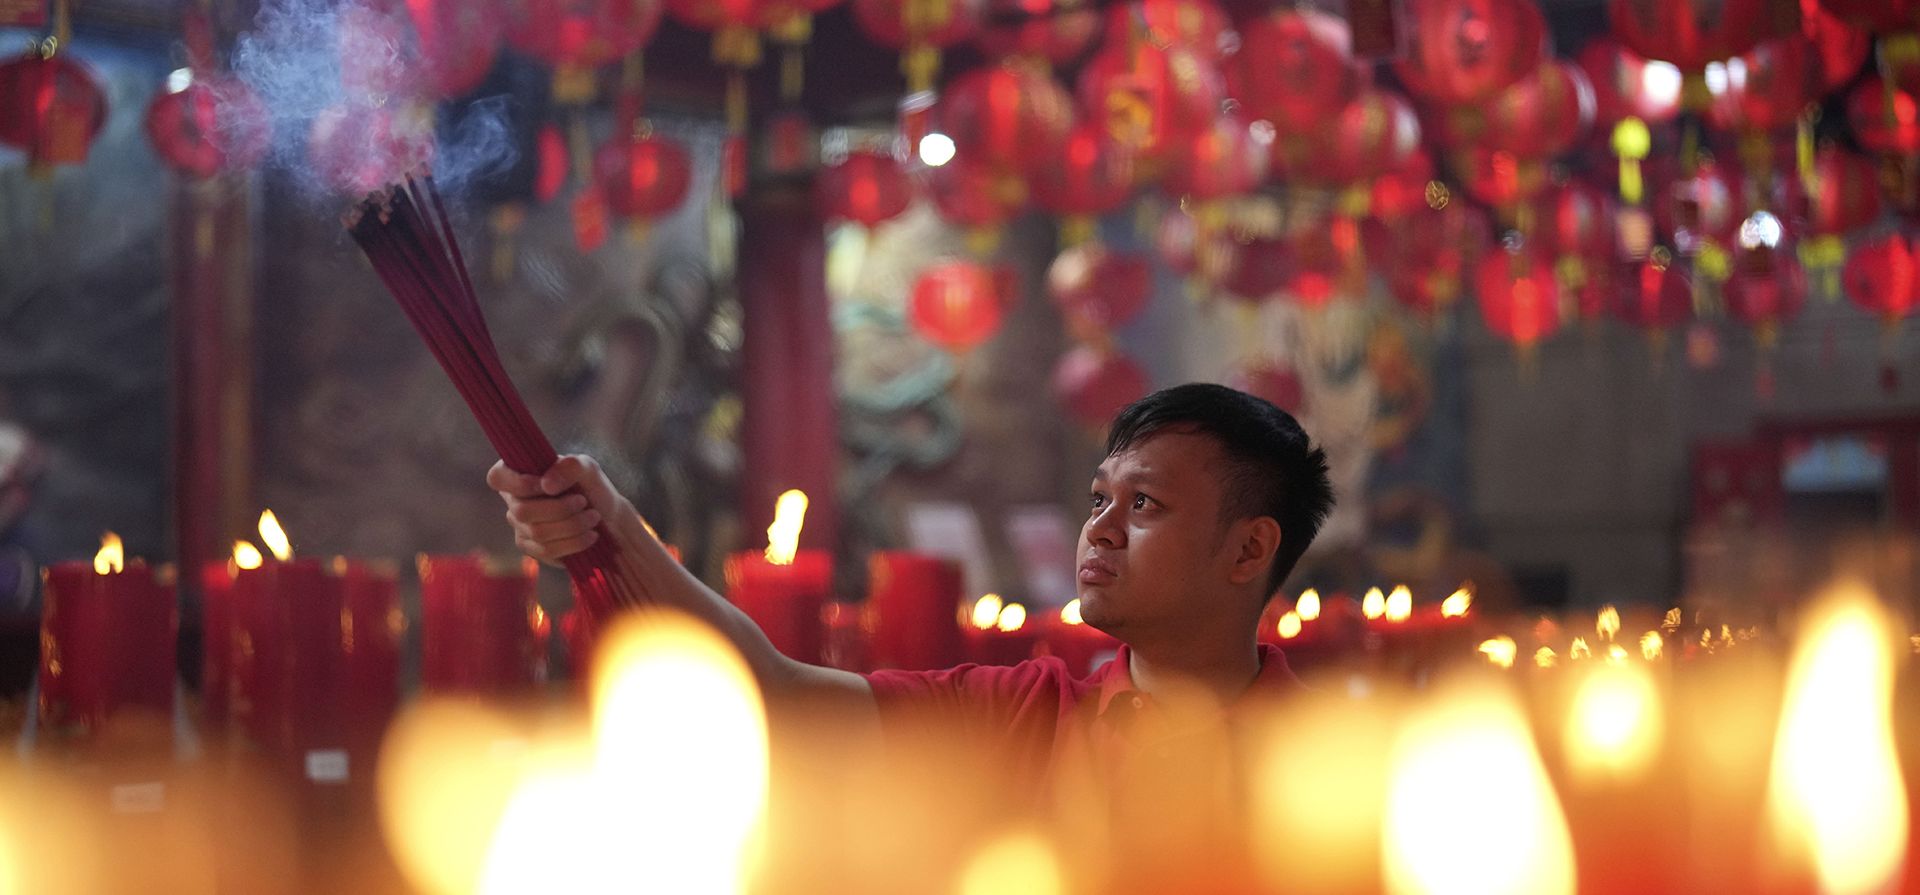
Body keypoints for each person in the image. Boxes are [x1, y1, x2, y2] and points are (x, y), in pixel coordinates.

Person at [488, 382, 1334, 855]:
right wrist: (613, 532)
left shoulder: (1334, 766)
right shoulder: (1026, 712)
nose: (1100, 528)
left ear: (1249, 549)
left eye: (1143, 503)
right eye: (1098, 498)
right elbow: (775, 691)